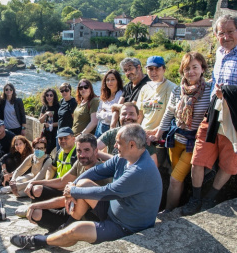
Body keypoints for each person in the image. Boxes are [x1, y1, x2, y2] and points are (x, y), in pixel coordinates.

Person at [10, 124, 162, 249]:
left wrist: (73, 191)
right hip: (112, 211)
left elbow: (107, 191)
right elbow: (96, 171)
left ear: (132, 145)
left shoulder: (140, 170)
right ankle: (65, 227)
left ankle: (37, 241)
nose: (115, 146)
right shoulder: (124, 159)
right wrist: (74, 187)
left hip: (124, 226)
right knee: (82, 184)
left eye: (118, 143)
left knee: (77, 230)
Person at [181, 15, 237, 216]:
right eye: (221, 33)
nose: (226, 36)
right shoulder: (220, 52)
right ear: (216, 34)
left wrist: (229, 93)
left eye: (230, 31)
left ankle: (209, 199)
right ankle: (195, 200)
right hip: (214, 113)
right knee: (198, 159)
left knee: (229, 164)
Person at [155, 52, 213, 213]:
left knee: (175, 179)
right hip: (176, 141)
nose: (191, 72)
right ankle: (174, 208)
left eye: (195, 67)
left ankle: (167, 212)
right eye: (187, 68)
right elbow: (168, 114)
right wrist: (158, 133)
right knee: (176, 178)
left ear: (202, 68)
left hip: (194, 143)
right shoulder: (177, 91)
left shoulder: (209, 90)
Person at [18, 134, 110, 233]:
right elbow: (62, 181)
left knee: (36, 209)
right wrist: (34, 182)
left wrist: (36, 205)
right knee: (35, 211)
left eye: (87, 150)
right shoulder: (80, 163)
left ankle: (63, 230)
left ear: (96, 151)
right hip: (70, 207)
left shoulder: (99, 171)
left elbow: (67, 200)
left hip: (86, 216)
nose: (82, 155)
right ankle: (58, 229)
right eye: (79, 151)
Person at [136, 56, 177, 166]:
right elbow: (140, 114)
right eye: (150, 69)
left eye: (157, 68)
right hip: (143, 134)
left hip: (160, 136)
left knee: (152, 167)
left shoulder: (172, 88)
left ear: (164, 69)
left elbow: (170, 115)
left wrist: (156, 133)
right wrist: (137, 131)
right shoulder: (145, 88)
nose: (153, 72)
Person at [95, 70, 123, 138]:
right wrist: (108, 112)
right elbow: (97, 114)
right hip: (100, 126)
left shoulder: (121, 95)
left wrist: (104, 112)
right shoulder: (105, 94)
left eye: (112, 79)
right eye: (107, 80)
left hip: (111, 128)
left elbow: (116, 116)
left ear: (118, 81)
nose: (110, 82)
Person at [39, 88, 60, 155]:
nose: (49, 97)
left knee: (47, 151)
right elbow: (41, 120)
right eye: (47, 95)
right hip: (46, 133)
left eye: (51, 95)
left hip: (54, 134)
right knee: (42, 150)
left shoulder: (58, 107)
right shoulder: (45, 107)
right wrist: (46, 114)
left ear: (54, 96)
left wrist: (51, 125)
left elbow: (61, 122)